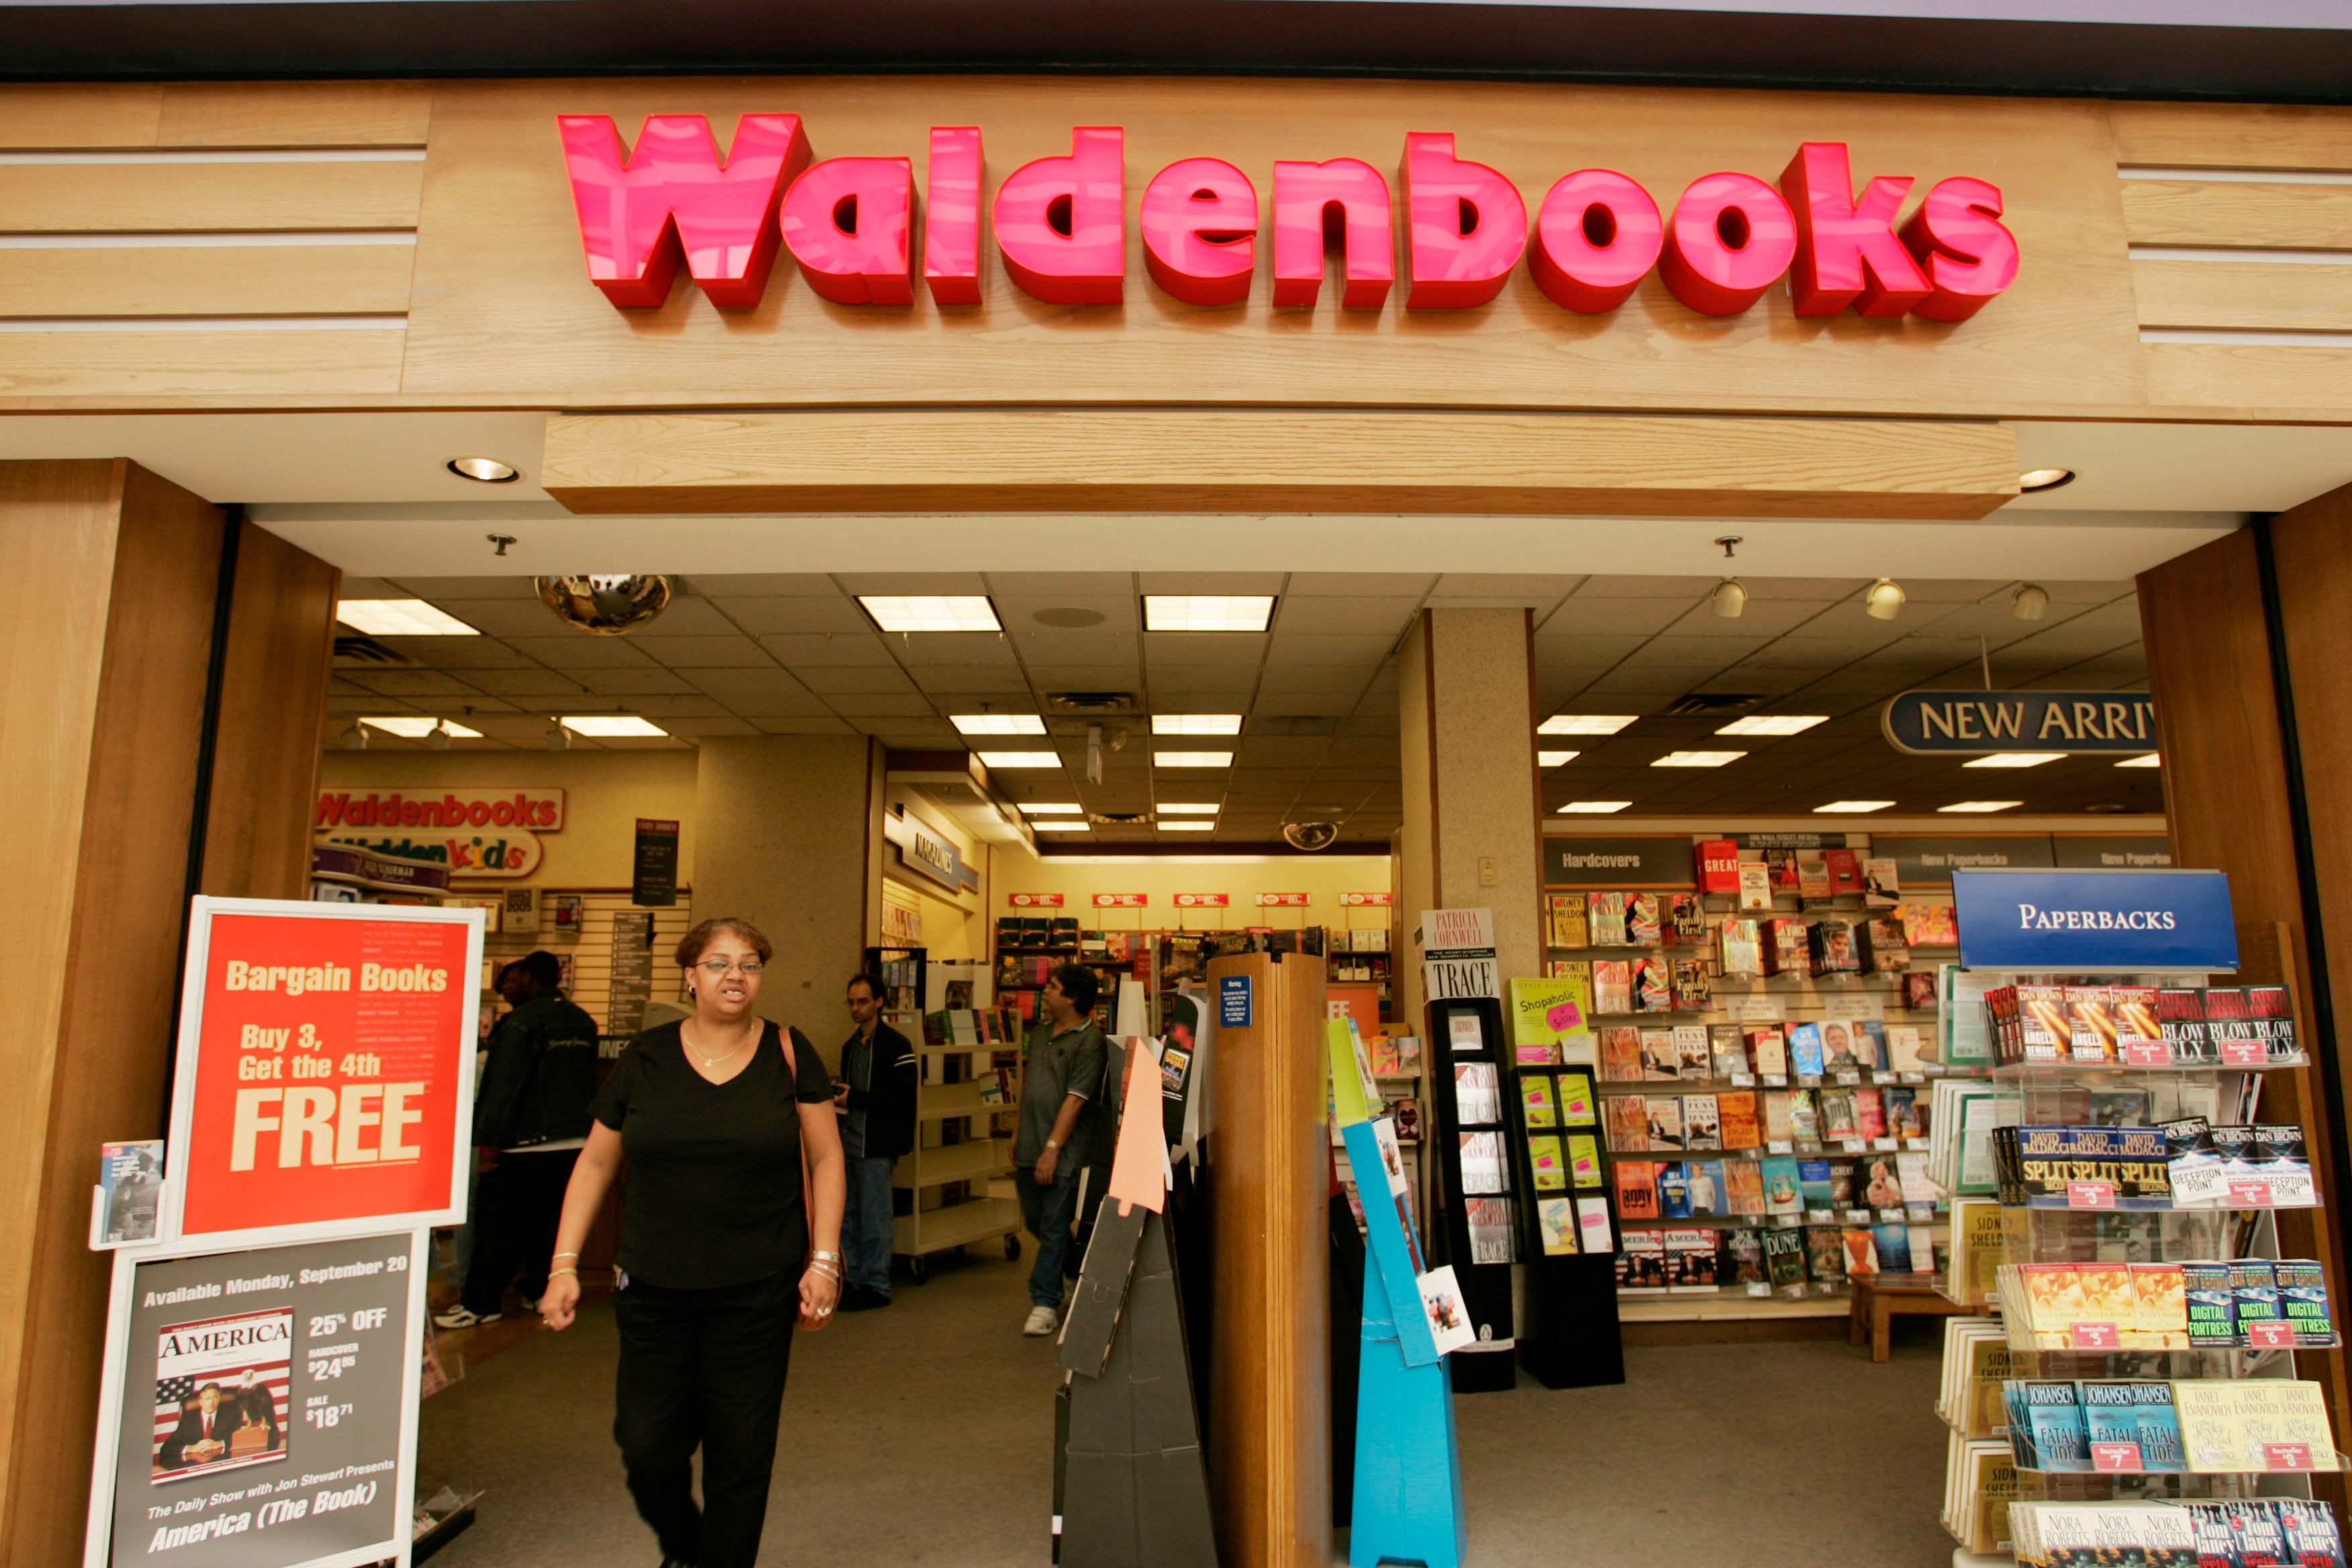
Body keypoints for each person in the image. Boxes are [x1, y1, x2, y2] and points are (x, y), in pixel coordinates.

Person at [539, 917, 844, 1568]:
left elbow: (826, 1159)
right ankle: (686, 1548)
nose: (736, 974)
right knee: (647, 1445)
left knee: (741, 1452)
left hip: (757, 1286)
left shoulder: (788, 1051)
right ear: (689, 973)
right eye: (718, 962)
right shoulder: (645, 1057)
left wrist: (824, 1258)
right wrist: (564, 1262)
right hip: (653, 1287)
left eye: (750, 963)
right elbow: (595, 1163)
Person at [436, 950, 599, 1329]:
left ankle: (480, 1304)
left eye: (514, 979)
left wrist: (490, 1141)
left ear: (529, 978)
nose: (508, 987)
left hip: (523, 1143)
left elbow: (503, 1086)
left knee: (498, 1229)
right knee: (549, 1225)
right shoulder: (581, 1021)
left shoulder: (522, 1023)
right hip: (573, 1142)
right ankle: (538, 1293)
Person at [1012, 963, 1106, 1336]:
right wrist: (1018, 1131)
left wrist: (1052, 1149)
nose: (1045, 991)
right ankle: (1072, 1271)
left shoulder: (1090, 1041)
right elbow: (1031, 1086)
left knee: (1052, 1225)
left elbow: (1075, 1100)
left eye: (1053, 987)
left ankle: (1045, 1302)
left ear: (1073, 998)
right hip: (1029, 1144)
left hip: (1062, 1152)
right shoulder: (1040, 1033)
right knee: (1034, 1220)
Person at [834, 972, 918, 1311]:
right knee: (848, 1215)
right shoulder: (849, 1046)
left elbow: (902, 1099)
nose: (856, 1008)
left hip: (878, 1145)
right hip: (849, 1141)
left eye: (863, 1001)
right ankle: (852, 1280)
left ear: (880, 1002)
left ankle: (877, 1283)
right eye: (851, 1002)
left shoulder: (898, 1046)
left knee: (875, 1215)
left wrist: (857, 1098)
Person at [157, 1384, 229, 1470]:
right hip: (195, 1467)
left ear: (219, 1399)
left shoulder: (229, 1416)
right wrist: (191, 1448)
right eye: (207, 1399)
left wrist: (221, 1444)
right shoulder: (189, 1421)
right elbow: (165, 1450)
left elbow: (243, 1437)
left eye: (215, 1398)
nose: (211, 1403)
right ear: (201, 1401)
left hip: (220, 1466)